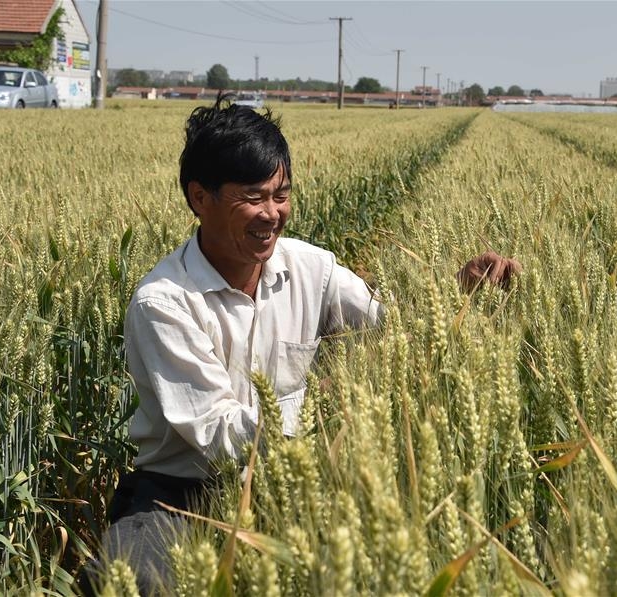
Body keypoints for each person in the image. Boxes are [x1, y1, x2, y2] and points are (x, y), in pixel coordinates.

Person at [82, 94, 520, 595]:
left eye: (281, 194)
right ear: (200, 198)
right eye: (254, 196)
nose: (273, 213)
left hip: (299, 470)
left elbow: (394, 325)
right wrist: (325, 404)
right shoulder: (163, 303)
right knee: (135, 582)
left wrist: (458, 292)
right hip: (183, 492)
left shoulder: (312, 268)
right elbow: (220, 436)